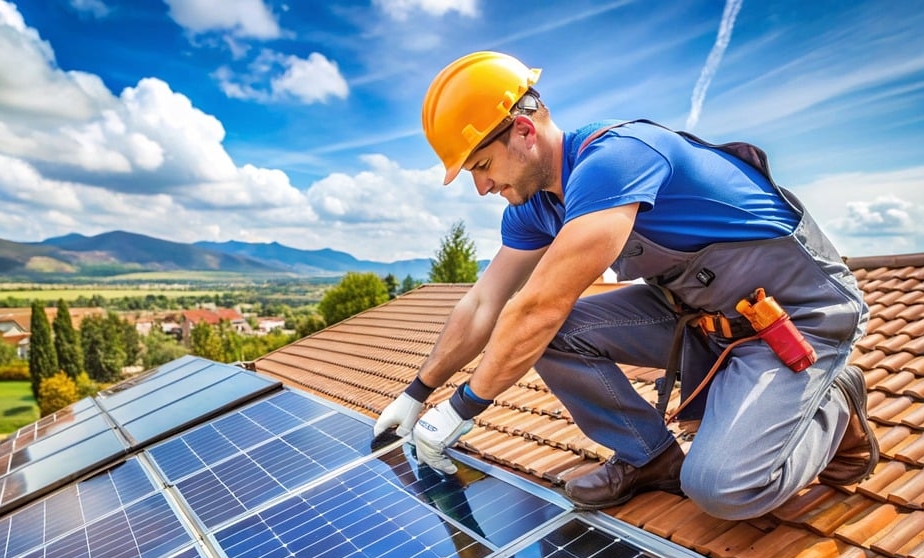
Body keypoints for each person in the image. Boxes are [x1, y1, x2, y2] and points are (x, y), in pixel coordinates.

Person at [372, 51, 879, 520]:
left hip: (795, 316)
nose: (481, 187)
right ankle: (649, 458)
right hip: (702, 317)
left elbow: (540, 307)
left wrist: (463, 408)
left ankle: (836, 402)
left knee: (722, 489)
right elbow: (486, 302)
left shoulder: (616, 160)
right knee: (553, 334)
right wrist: (418, 393)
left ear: (524, 131)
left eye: (482, 166)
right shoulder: (535, 207)